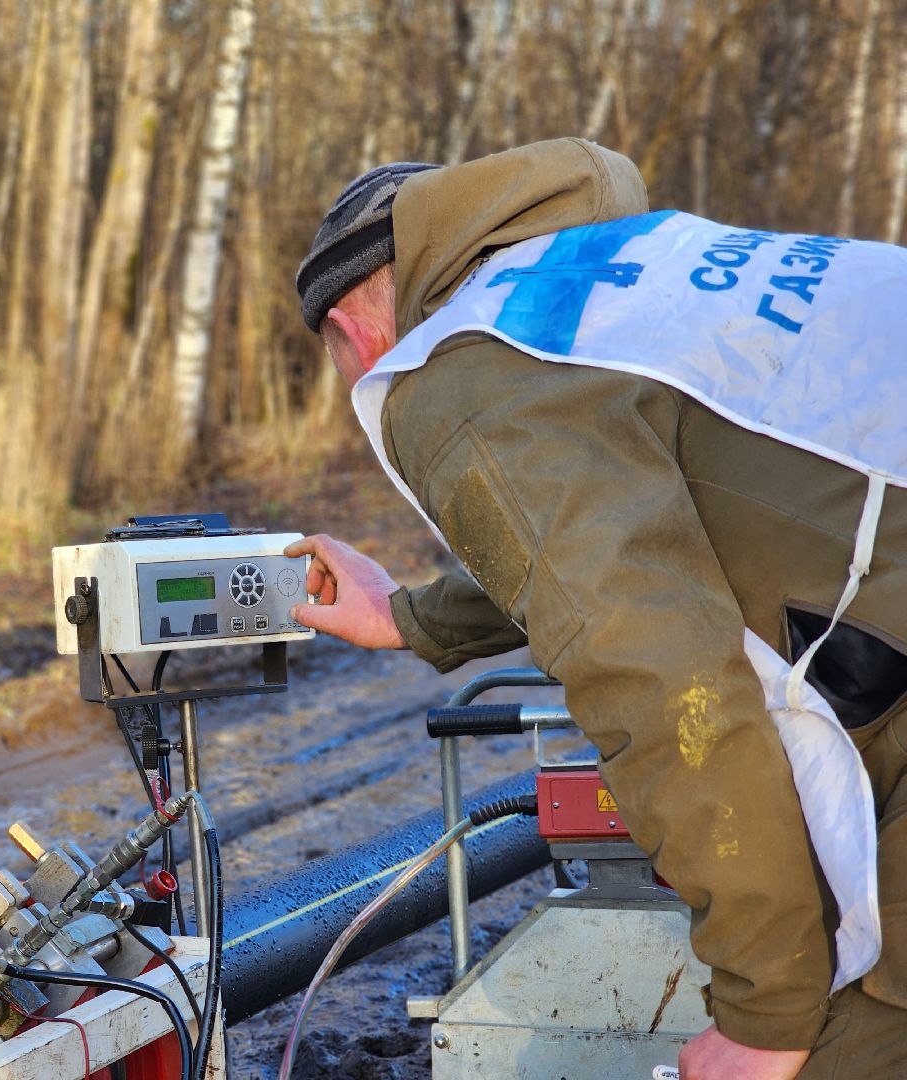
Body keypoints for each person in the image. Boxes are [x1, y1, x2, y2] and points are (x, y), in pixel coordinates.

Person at [286, 138, 907, 1080]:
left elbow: (659, 674)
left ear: (349, 326)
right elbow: (652, 515)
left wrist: (766, 1008)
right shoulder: (624, 280)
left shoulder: (455, 367)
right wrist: (413, 617)